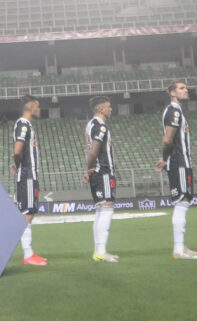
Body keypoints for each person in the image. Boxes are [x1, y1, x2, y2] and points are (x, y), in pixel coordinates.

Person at [155, 81, 197, 260]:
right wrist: (165, 159)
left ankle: (181, 246)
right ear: (172, 93)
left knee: (185, 201)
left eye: (186, 87)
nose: (186, 90)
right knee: (182, 202)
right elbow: (168, 140)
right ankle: (178, 250)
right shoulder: (173, 111)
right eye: (181, 88)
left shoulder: (178, 111)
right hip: (179, 162)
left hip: (183, 162)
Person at [11, 95, 48, 266]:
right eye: (37, 106)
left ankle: (29, 253)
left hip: (29, 174)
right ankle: (27, 255)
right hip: (26, 174)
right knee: (27, 214)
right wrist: (17, 164)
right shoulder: (23, 124)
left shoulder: (26, 125)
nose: (39, 109)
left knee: (29, 212)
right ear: (31, 106)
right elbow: (17, 150)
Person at [83, 96, 119, 263]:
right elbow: (93, 152)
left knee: (100, 210)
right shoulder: (101, 126)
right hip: (103, 171)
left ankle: (98, 251)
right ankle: (101, 252)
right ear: (101, 109)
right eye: (109, 107)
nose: (111, 109)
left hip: (96, 172)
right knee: (106, 208)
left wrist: (88, 170)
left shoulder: (90, 125)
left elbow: (89, 151)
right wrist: (91, 168)